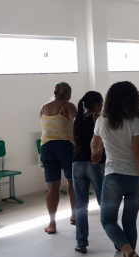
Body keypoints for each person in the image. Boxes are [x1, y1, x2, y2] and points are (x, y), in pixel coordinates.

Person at [91, 81, 139, 257]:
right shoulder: (137, 121)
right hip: (136, 180)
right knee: (129, 221)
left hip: (113, 176)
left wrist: (95, 154)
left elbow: (95, 144)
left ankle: (129, 254)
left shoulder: (102, 120)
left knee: (108, 220)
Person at [39, 82, 77, 234]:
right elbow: (78, 124)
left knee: (52, 186)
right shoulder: (68, 106)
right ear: (68, 94)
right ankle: (74, 216)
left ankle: (52, 224)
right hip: (66, 147)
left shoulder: (43, 107)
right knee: (72, 182)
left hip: (47, 147)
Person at [72, 91, 105, 253]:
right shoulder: (98, 118)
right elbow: (103, 140)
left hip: (77, 163)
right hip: (95, 163)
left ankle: (81, 242)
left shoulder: (77, 119)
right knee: (104, 202)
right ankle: (117, 240)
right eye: (102, 103)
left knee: (80, 205)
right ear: (97, 105)